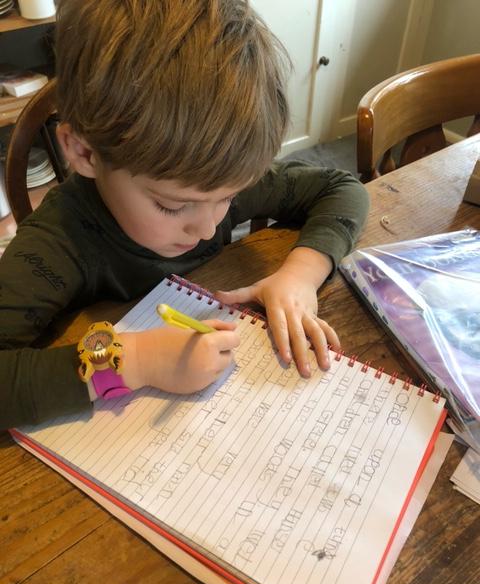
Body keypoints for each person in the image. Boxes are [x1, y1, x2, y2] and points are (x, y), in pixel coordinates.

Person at [0, 0, 369, 430]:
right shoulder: (56, 241)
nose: (209, 227)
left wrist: (301, 274)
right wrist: (134, 361)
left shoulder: (208, 181)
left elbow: (343, 189)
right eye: (172, 206)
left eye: (229, 197)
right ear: (85, 153)